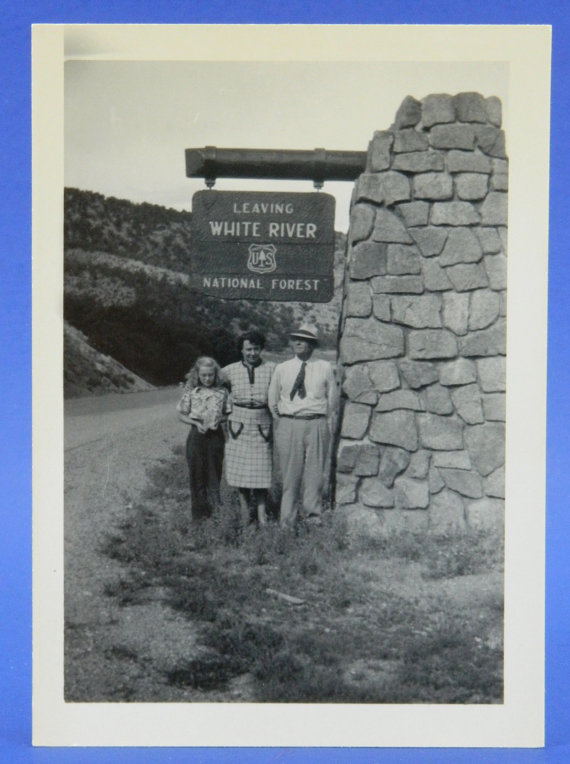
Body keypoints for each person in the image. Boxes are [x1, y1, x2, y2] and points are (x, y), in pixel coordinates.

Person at [268, 322, 338, 528]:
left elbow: (332, 398)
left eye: (304, 340)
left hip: (316, 423)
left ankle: (312, 518)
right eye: (296, 339)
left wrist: (325, 421)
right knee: (290, 476)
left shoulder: (324, 367)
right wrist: (282, 420)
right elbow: (272, 399)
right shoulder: (282, 368)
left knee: (315, 475)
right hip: (290, 424)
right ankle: (287, 521)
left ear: (312, 344)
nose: (298, 342)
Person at [222, 330, 275, 526]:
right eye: (248, 349)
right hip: (238, 424)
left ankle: (262, 516)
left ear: (261, 349)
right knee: (240, 472)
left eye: (256, 349)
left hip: (262, 422)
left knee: (262, 471)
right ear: (241, 350)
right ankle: (246, 514)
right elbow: (209, 383)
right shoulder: (229, 370)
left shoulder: (272, 369)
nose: (252, 353)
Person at [177, 356, 229, 521]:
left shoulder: (222, 392)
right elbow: (181, 414)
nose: (207, 379)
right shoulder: (191, 393)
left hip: (215, 437)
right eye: (203, 375)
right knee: (197, 477)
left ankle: (215, 518)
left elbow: (228, 413)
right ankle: (199, 519)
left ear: (216, 375)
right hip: (196, 437)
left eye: (210, 375)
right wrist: (195, 422)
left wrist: (218, 420)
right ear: (197, 375)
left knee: (214, 477)